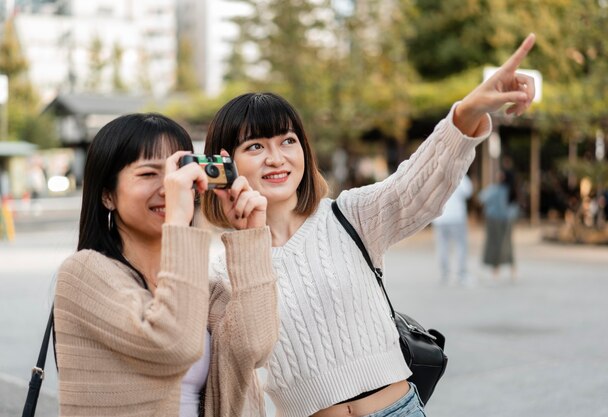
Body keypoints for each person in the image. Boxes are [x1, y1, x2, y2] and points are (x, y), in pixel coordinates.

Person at [202, 34, 536, 417]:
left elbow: (417, 187)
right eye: (255, 147)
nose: (276, 158)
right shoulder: (221, 271)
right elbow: (235, 365)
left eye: (288, 141)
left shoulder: (348, 217)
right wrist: (247, 239)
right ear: (226, 163)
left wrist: (468, 111)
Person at [53, 113, 279, 417]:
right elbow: (173, 345)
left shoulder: (201, 285)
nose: (169, 188)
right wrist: (179, 222)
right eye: (148, 174)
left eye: (177, 173)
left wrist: (250, 235)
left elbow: (255, 346)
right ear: (107, 195)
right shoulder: (84, 272)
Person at [431, 175, 473, 286]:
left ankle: (444, 273)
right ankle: (461, 274)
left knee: (442, 246)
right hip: (456, 217)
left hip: (440, 218)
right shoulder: (459, 174)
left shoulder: (437, 175)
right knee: (460, 246)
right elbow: (468, 191)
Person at [478, 169, 517, 279]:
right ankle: (510, 268)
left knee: (495, 244)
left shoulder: (495, 189)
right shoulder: (511, 190)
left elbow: (482, 197)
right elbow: (513, 208)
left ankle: (496, 269)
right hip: (507, 221)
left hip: (494, 220)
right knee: (507, 244)